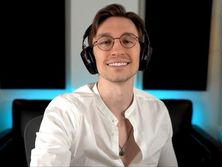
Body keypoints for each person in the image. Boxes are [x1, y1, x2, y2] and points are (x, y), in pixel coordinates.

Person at [30, 3, 178, 167]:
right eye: (105, 42)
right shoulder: (65, 110)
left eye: (128, 40)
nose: (117, 50)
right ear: (91, 56)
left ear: (143, 52)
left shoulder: (158, 111)